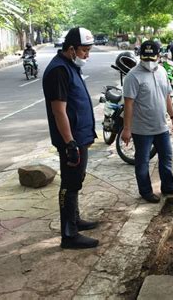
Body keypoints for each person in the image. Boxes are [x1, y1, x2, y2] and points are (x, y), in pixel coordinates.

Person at [42, 27, 99, 249]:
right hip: (71, 140)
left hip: (79, 136)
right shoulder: (58, 70)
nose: (87, 55)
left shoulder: (70, 65)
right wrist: (70, 143)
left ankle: (75, 220)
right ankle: (69, 234)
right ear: (72, 48)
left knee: (76, 181)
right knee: (69, 184)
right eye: (84, 50)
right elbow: (59, 111)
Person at [121, 40, 173, 203]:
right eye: (145, 58)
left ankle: (167, 186)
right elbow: (128, 104)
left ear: (159, 56)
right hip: (141, 130)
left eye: (152, 58)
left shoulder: (163, 72)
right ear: (140, 56)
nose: (149, 62)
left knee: (166, 157)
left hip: (161, 126)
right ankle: (146, 191)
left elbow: (167, 96)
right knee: (142, 162)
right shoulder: (133, 76)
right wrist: (126, 129)